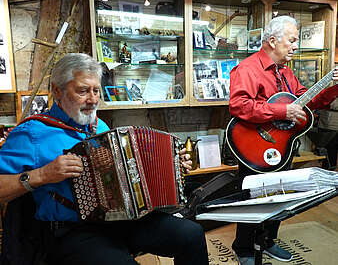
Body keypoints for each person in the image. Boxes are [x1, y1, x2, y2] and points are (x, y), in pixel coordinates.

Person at [0, 53, 209, 265]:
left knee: (191, 235)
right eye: (82, 91)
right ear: (57, 90)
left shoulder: (99, 127)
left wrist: (172, 166)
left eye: (96, 90)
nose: (92, 99)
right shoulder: (31, 134)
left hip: (118, 219)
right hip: (70, 230)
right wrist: (42, 174)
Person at [229, 16, 338, 265]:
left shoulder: (286, 72)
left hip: (283, 146)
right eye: (291, 40)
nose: (295, 46)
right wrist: (281, 111)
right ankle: (243, 247)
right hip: (253, 146)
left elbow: (307, 101)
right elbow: (238, 106)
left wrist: (333, 87)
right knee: (252, 198)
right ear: (272, 41)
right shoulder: (247, 68)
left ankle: (267, 241)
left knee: (280, 195)